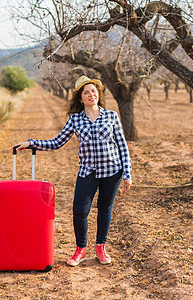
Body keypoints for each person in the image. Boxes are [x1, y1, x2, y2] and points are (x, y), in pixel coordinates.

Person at [13, 75, 132, 267]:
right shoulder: (75, 120)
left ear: (98, 94)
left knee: (104, 209)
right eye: (86, 92)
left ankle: (101, 248)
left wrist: (127, 173)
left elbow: (122, 145)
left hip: (112, 171)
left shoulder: (111, 116)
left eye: (94, 91)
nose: (91, 94)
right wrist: (31, 143)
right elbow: (56, 142)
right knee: (79, 211)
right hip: (88, 172)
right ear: (80, 98)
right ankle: (80, 250)